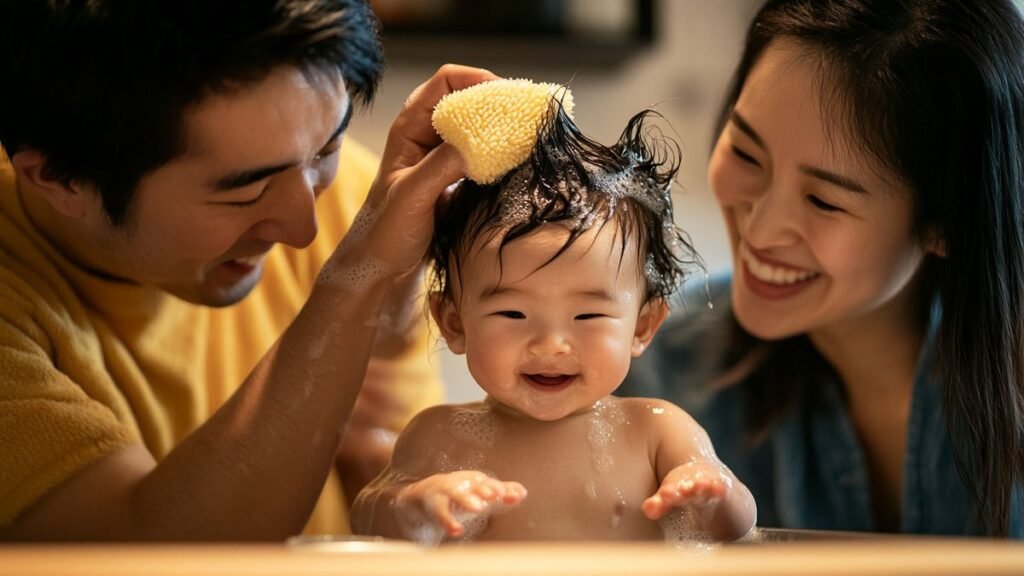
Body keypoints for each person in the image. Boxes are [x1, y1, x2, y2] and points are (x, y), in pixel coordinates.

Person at [0, 0, 496, 540]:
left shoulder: (343, 190)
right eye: (245, 193)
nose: (304, 229)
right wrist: (359, 275)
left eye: (324, 151)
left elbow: (389, 467)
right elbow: (146, 552)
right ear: (60, 179)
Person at [619, 0, 1024, 537]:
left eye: (824, 201)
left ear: (947, 220)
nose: (760, 233)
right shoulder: (654, 363)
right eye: (745, 153)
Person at [350, 98, 757, 543]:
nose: (550, 344)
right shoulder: (439, 436)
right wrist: (418, 504)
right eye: (512, 313)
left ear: (642, 327)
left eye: (588, 314)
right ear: (454, 322)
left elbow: (739, 524)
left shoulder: (658, 432)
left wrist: (710, 494)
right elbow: (367, 515)